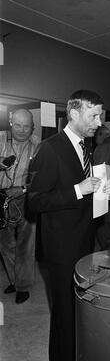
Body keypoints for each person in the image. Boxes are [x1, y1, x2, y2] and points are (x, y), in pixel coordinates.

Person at [27, 90, 110, 361]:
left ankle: (55, 357)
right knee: (68, 310)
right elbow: (34, 201)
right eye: (93, 115)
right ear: (74, 114)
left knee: (66, 305)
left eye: (100, 115)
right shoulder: (49, 149)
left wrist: (100, 188)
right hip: (62, 245)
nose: (99, 122)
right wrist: (79, 189)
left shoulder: (85, 145)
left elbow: (82, 188)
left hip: (82, 239)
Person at [0, 109, 40, 304]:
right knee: (5, 244)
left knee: (26, 245)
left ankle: (22, 286)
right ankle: (15, 280)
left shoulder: (38, 145)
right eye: (18, 125)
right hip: (1, 198)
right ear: (10, 123)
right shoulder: (0, 139)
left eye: (27, 126)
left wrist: (23, 189)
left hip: (26, 198)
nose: (22, 130)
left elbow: (42, 178)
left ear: (32, 126)